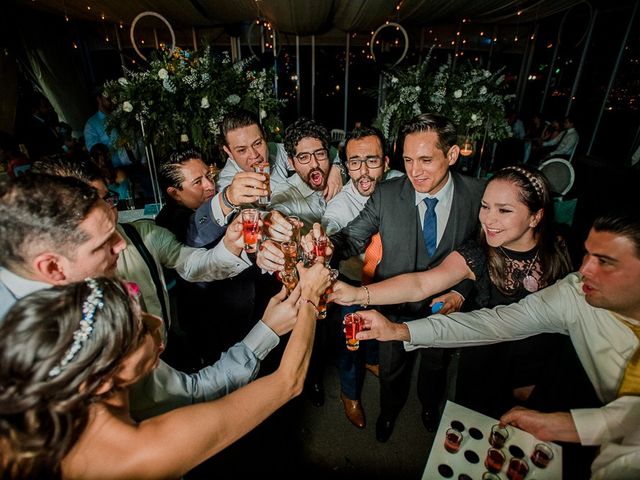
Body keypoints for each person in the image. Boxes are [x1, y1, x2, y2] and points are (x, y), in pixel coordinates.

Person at [354, 210, 640, 478]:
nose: (585, 269)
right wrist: (399, 330)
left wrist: (575, 426)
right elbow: (490, 323)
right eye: (588, 254)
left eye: (606, 261)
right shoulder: (576, 295)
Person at [0, 173, 296, 421]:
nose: (122, 244)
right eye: (104, 243)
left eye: (109, 202)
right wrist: (267, 332)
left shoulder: (140, 235)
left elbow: (193, 264)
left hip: (173, 351)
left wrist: (234, 243)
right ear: (52, 266)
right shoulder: (49, 341)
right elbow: (193, 393)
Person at [0, 264, 331, 479]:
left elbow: (195, 389)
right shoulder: (138, 452)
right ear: (100, 379)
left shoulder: (54, 399)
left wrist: (268, 327)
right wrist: (311, 300)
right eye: (142, 329)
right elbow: (288, 382)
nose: (157, 321)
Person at [330, 165, 573, 418]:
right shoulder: (478, 252)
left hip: (540, 370)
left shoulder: (563, 250)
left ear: (535, 217)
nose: (488, 219)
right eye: (485, 206)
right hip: (483, 361)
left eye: (504, 210)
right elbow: (420, 284)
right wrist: (357, 295)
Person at [330, 112, 486, 441]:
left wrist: (461, 290)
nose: (415, 171)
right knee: (392, 371)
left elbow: (484, 250)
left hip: (445, 310)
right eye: (408, 160)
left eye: (426, 159)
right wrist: (321, 247)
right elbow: (351, 237)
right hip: (393, 307)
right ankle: (388, 412)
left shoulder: (477, 195)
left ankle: (429, 407)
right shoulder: (387, 194)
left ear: (453, 155)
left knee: (435, 366)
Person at [321, 126, 403, 428]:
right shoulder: (340, 204)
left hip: (392, 280)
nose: (364, 171)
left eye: (372, 160)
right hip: (353, 284)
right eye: (354, 162)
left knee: (381, 328)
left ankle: (373, 360)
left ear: (386, 162)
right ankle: (349, 394)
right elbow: (331, 228)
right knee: (351, 341)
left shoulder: (400, 185)